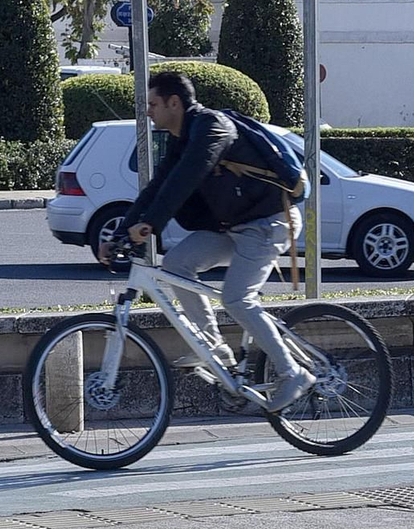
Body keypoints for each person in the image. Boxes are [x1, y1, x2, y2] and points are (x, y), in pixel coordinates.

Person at [113, 69, 312, 411]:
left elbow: (188, 176)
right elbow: (158, 185)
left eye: (153, 104)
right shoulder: (182, 137)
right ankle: (214, 347)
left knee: (237, 299)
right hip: (236, 226)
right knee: (176, 264)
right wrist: (122, 232)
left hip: (270, 222)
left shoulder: (212, 127)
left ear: (174, 102)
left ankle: (293, 373)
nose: (148, 111)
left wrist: (151, 224)